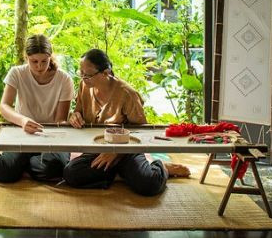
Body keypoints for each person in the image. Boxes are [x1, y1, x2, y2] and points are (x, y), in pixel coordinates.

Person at [64, 49, 190, 196]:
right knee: (71, 173)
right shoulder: (85, 86)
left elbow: (142, 132)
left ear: (106, 73)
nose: (83, 78)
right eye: (81, 73)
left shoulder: (126, 93)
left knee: (149, 184)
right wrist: (75, 116)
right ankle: (124, 174)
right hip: (98, 146)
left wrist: (117, 152)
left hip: (126, 150)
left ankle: (161, 166)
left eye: (88, 75)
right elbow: (78, 111)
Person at [0, 34, 74, 183]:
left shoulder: (64, 79)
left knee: (54, 169)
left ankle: (24, 164)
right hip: (22, 132)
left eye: (44, 61)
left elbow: (60, 120)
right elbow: (4, 106)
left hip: (52, 135)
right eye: (34, 61)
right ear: (26, 57)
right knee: (5, 172)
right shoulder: (17, 73)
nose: (39, 66)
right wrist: (23, 121)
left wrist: (67, 125)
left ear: (50, 57)